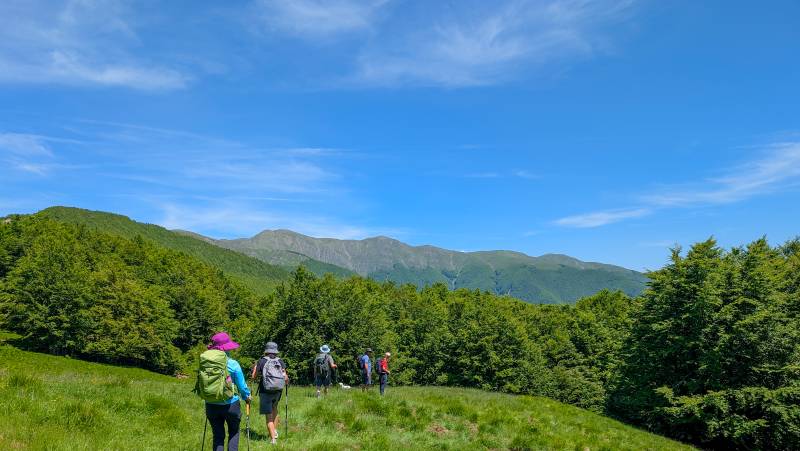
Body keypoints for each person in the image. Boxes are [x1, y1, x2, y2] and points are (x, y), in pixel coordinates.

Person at [203, 332, 251, 451]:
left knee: (218, 436)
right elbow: (242, 386)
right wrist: (247, 397)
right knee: (234, 432)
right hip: (231, 404)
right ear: (227, 348)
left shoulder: (205, 361)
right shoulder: (233, 364)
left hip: (211, 403)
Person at [250, 342, 288, 446]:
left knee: (268, 415)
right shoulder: (279, 361)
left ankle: (273, 440)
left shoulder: (262, 361)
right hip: (278, 390)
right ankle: (274, 432)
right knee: (275, 408)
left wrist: (254, 369)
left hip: (265, 390)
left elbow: (253, 377)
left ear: (266, 350)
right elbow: (285, 377)